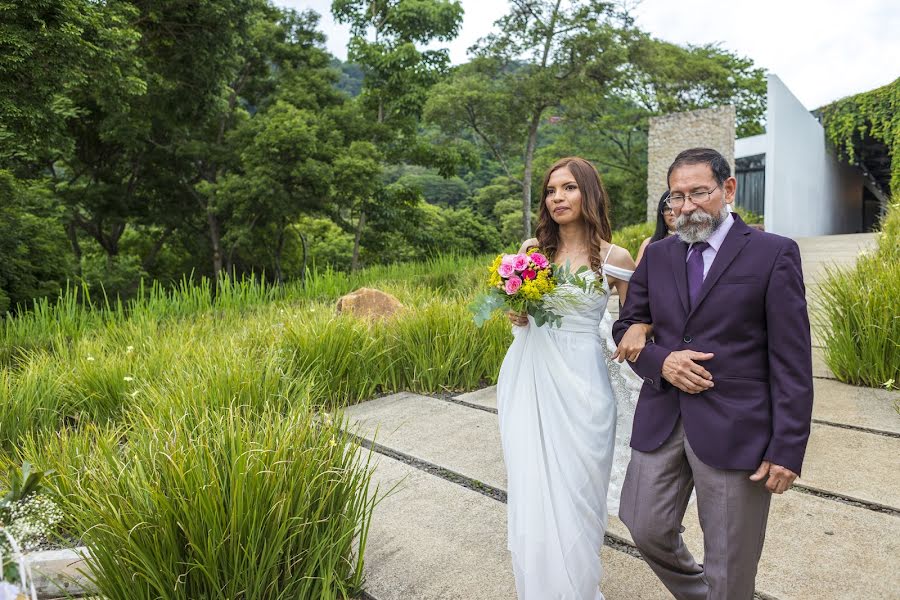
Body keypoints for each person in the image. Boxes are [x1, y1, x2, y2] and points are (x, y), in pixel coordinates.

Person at [612, 147, 814, 600]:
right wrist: (660, 360)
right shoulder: (659, 255)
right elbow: (627, 325)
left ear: (727, 189)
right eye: (676, 197)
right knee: (643, 524)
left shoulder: (773, 253)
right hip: (662, 414)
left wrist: (788, 447)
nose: (686, 207)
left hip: (737, 425)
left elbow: (793, 358)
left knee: (730, 561)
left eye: (698, 193)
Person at [498, 157, 641, 599]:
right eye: (550, 190)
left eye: (569, 188)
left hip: (585, 383)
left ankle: (577, 586)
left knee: (580, 488)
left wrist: (641, 329)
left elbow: (641, 317)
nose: (557, 198)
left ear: (589, 193)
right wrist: (517, 309)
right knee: (532, 483)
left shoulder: (616, 257)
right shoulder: (531, 250)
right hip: (529, 375)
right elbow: (521, 316)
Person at [635, 191, 677, 265]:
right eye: (667, 209)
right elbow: (637, 274)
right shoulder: (648, 243)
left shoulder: (694, 244)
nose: (672, 213)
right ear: (661, 214)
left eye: (676, 208)